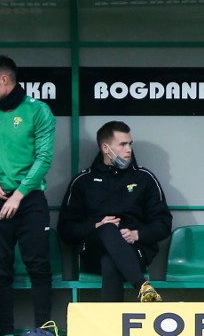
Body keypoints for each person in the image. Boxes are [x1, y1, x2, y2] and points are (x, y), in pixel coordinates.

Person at [0, 54, 55, 336]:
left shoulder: (38, 111)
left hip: (29, 199)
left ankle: (45, 333)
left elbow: (44, 159)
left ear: (4, 79)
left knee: (38, 265)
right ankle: (6, 334)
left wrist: (19, 195)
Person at [58, 121, 171, 302]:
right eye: (122, 144)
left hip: (135, 251)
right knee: (108, 228)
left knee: (110, 261)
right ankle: (142, 286)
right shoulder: (83, 181)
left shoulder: (144, 178)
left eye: (130, 144)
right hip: (92, 251)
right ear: (105, 148)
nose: (129, 150)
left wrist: (136, 234)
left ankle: (114, 326)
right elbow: (66, 229)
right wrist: (96, 225)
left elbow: (164, 224)